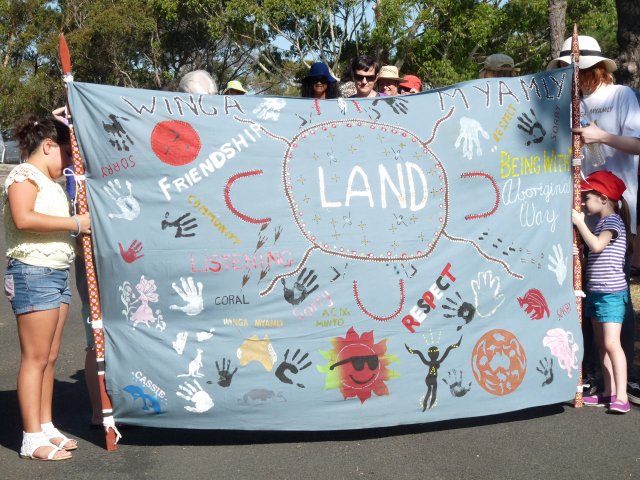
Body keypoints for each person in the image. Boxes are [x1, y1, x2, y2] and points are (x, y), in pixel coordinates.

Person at [549, 35, 640, 398]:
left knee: (616, 287)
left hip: (618, 206)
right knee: (585, 285)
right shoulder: (568, 101)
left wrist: (600, 135)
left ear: (597, 68)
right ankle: (592, 374)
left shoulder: (620, 97)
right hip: (580, 206)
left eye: (580, 70)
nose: (575, 76)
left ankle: (624, 375)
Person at [3, 115, 91, 460]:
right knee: (35, 358)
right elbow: (23, 217)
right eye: (67, 154)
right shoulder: (23, 176)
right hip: (31, 271)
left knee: (50, 357)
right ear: (49, 146)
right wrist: (75, 223)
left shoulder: (50, 181)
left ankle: (45, 425)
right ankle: (30, 436)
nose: (69, 163)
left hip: (54, 272)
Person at [572, 171, 632, 413]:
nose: (584, 203)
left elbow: (597, 245)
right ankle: (608, 392)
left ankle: (622, 395)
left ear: (604, 198)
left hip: (611, 294)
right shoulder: (600, 223)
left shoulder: (613, 222)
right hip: (597, 292)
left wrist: (579, 222)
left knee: (611, 343)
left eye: (588, 197)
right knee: (600, 344)